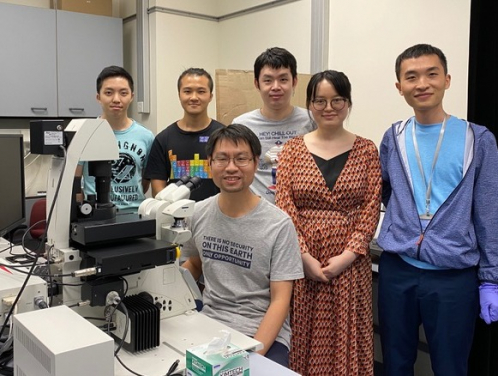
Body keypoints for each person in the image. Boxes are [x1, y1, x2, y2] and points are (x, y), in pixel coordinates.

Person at [377, 43, 498, 376]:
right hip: (398, 270)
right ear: (399, 86)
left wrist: (491, 279)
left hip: (453, 277)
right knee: (396, 362)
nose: (422, 84)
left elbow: (489, 213)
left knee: (450, 366)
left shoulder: (478, 139)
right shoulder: (394, 137)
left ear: (447, 79)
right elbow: (385, 190)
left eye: (431, 74)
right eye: (411, 77)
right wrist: (405, 225)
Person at [276, 70, 382, 375]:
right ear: (310, 104)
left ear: (348, 103)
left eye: (337, 100)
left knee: (347, 336)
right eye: (320, 101)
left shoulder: (366, 150)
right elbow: (284, 207)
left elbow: (371, 206)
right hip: (301, 261)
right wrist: (304, 256)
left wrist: (347, 256)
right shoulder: (292, 150)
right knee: (304, 334)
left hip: (351, 261)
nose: (329, 107)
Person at [181, 124, 304, 367]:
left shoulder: (278, 224)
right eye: (222, 159)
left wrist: (253, 354)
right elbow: (194, 263)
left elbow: (281, 300)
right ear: (210, 164)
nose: (231, 168)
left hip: (260, 332)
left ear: (256, 163)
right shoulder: (198, 213)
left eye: (241, 159)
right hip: (210, 321)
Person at [233, 47, 314, 203]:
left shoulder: (311, 121)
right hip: (257, 215)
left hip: (301, 214)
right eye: (268, 80)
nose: (276, 87)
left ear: (294, 81)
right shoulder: (242, 125)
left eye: (283, 79)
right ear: (257, 83)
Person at [77, 65, 154, 211]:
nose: (116, 99)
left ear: (131, 96)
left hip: (134, 214)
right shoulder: (85, 134)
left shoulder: (146, 136)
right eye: (108, 92)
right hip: (97, 215)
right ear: (98, 97)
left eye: (123, 93)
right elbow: (74, 183)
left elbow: (145, 181)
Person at [144, 68, 225, 201]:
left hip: (216, 217)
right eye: (187, 91)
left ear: (210, 96)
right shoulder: (163, 139)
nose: (194, 97)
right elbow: (158, 191)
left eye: (201, 91)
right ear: (179, 95)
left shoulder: (224, 136)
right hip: (175, 217)